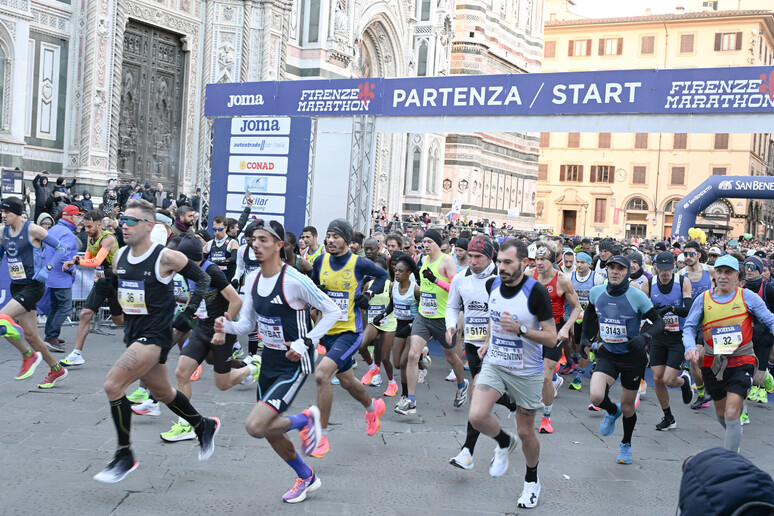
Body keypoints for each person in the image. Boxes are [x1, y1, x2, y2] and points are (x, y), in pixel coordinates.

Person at [92, 199, 220, 483]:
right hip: (134, 335)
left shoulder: (165, 257)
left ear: (149, 225)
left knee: (113, 385)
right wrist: (111, 301)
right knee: (163, 394)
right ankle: (203, 425)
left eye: (132, 221)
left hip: (156, 336)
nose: (124, 225)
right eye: (123, 220)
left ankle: (124, 454)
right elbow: (118, 288)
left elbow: (201, 279)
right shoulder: (119, 256)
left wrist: (188, 314)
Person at [217, 220, 341, 503]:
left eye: (263, 239)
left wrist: (307, 341)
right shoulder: (253, 279)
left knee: (255, 426)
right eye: (252, 239)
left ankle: (305, 419)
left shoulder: (295, 280)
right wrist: (225, 326)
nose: (255, 244)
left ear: (278, 244)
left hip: (293, 361)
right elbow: (247, 325)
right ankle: (306, 476)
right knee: (271, 431)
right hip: (269, 359)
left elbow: (332, 310)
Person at [467, 240, 556, 509]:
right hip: (495, 362)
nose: (502, 268)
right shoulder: (492, 284)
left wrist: (521, 330)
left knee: (527, 432)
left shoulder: (536, 292)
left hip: (526, 372)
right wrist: (487, 340)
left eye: (508, 262)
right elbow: (495, 316)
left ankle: (532, 481)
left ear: (524, 263)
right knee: (477, 415)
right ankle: (504, 442)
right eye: (500, 262)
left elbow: (551, 338)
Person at [159, 235, 254, 442]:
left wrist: (223, 328)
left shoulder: (211, 271)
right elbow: (196, 296)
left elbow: (236, 300)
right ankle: (186, 424)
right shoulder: (187, 272)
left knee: (223, 383)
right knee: (182, 372)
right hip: (201, 329)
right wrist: (186, 314)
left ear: (193, 259)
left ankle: (252, 367)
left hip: (222, 331)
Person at [310, 218, 388, 457]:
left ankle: (320, 435)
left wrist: (369, 294)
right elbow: (314, 286)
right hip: (329, 332)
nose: (331, 240)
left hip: (349, 331)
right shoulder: (321, 260)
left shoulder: (358, 263)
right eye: (328, 236)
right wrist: (317, 293)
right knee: (346, 381)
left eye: (336, 236)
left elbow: (383, 276)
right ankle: (373, 408)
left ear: (347, 239)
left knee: (322, 375)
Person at [682, 254, 774, 452]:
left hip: (742, 359)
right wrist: (690, 347)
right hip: (712, 363)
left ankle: (732, 460)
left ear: (737, 276)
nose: (723, 276)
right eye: (720, 272)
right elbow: (689, 327)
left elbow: (770, 320)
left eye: (728, 272)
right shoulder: (704, 299)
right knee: (722, 415)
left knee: (732, 413)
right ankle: (735, 437)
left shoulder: (747, 297)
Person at [581, 254, 664, 465]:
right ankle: (611, 410)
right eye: (612, 268)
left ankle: (626, 443)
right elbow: (590, 315)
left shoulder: (637, 296)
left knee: (628, 407)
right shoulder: (596, 292)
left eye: (620, 268)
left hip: (632, 358)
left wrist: (644, 337)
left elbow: (658, 322)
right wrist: (584, 339)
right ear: (606, 270)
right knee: (596, 397)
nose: (615, 271)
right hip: (608, 353)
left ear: (628, 272)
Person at [446, 237, 518, 470]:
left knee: (478, 392)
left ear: (491, 257)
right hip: (472, 344)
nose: (473, 261)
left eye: (479, 257)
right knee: (485, 394)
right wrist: (450, 325)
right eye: (470, 256)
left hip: (498, 345)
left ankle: (467, 451)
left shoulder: (501, 279)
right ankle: (512, 409)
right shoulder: (460, 279)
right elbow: (453, 306)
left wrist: (491, 338)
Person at [0, 196, 70, 388]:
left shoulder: (33, 229)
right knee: (31, 335)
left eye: (8, 213)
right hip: (17, 285)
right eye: (2, 212)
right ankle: (57, 369)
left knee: (2, 320)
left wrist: (47, 269)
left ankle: (28, 355)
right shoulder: (2, 231)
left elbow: (60, 248)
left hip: (33, 285)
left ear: (18, 213)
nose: (4, 216)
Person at [396, 228, 466, 415]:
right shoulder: (424, 259)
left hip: (443, 317)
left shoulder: (447, 261)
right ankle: (410, 400)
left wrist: (436, 280)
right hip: (423, 315)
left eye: (429, 242)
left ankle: (461, 384)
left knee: (451, 358)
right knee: (412, 355)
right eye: (424, 242)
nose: (425, 245)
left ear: (437, 244)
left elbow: (455, 289)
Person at [60, 211, 124, 367]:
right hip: (101, 281)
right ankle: (76, 354)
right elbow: (87, 259)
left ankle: (144, 325)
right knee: (85, 314)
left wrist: (76, 262)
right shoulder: (90, 238)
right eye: (85, 226)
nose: (86, 230)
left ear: (98, 224)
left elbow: (96, 261)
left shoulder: (108, 239)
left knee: (118, 320)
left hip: (113, 279)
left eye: (89, 227)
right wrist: (73, 260)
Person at [641, 252, 694, 430]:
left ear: (673, 266)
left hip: (677, 336)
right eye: (662, 269)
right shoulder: (648, 284)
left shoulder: (682, 281)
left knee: (669, 380)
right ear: (656, 267)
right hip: (659, 335)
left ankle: (684, 382)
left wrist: (671, 308)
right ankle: (668, 416)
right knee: (657, 378)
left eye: (668, 268)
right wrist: (653, 312)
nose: (665, 273)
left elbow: (688, 310)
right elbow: (640, 310)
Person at [532, 244, 581, 434]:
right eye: (537, 259)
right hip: (533, 328)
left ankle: (546, 418)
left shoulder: (562, 280)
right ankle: (555, 379)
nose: (539, 263)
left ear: (552, 262)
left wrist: (567, 328)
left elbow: (576, 307)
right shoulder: (529, 275)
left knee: (544, 377)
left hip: (554, 329)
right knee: (530, 374)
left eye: (543, 259)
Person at [679, 240, 715, 410]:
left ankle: (711, 386)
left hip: (708, 321)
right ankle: (702, 393)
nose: (688, 257)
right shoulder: (680, 274)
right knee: (694, 360)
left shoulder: (711, 271)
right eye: (685, 254)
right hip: (690, 323)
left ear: (699, 255)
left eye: (691, 254)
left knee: (702, 359)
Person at [42, 205, 81, 352]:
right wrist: (71, 268)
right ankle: (51, 337)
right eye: (77, 215)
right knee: (64, 307)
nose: (78, 219)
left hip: (52, 275)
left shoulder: (53, 229)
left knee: (55, 307)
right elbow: (64, 254)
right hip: (61, 276)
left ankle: (50, 335)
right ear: (71, 217)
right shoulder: (67, 233)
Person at [563, 252, 604, 392]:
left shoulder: (597, 278)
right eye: (578, 262)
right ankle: (592, 352)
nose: (579, 265)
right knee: (576, 344)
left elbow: (602, 299)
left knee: (584, 347)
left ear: (589, 264)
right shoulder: (569, 277)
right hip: (575, 316)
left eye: (582, 262)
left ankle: (579, 377)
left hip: (591, 317)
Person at [739, 256, 774, 414]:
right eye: (747, 267)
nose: (749, 270)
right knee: (743, 376)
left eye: (754, 267)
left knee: (758, 378)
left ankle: (765, 376)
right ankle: (742, 412)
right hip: (745, 337)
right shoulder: (739, 289)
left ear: (760, 270)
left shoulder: (768, 289)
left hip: (764, 337)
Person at [359, 257, 398, 395]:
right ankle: (372, 368)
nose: (374, 273)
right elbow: (362, 305)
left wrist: (383, 315)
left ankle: (392, 383)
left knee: (385, 357)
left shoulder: (391, 285)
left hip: (388, 322)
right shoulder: (368, 285)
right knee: (362, 346)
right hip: (373, 322)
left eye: (378, 270)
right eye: (372, 270)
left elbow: (394, 304)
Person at [391, 254, 421, 405]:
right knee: (396, 363)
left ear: (409, 273)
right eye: (395, 270)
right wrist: (382, 315)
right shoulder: (392, 286)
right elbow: (392, 304)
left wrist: (415, 324)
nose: (397, 273)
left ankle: (405, 396)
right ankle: (422, 357)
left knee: (404, 362)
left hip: (412, 326)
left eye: (400, 271)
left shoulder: (416, 290)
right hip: (399, 325)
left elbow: (423, 310)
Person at [205, 215, 239, 281]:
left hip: (227, 281)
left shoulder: (232, 242)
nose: (217, 232)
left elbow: (234, 259)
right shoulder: (209, 243)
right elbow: (201, 260)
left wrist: (218, 262)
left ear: (226, 228)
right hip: (213, 281)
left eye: (220, 229)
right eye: (214, 229)